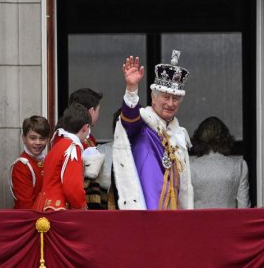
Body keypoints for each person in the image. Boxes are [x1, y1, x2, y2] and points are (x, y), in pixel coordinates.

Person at [113, 50, 193, 210]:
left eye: (175, 98)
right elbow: (129, 118)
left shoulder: (179, 136)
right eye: (165, 97)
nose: (170, 103)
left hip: (173, 218)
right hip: (145, 217)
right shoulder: (142, 126)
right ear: (153, 97)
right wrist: (131, 88)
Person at [54, 88, 107, 210]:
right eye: (98, 110)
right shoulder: (66, 139)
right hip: (71, 204)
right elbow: (71, 183)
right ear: (91, 111)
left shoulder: (88, 138)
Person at [33, 103, 91, 211]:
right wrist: (82, 206)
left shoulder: (59, 144)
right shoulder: (73, 147)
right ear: (85, 128)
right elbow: (73, 188)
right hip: (58, 209)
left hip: (43, 205)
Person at [189, 116, 250, 208]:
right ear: (226, 138)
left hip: (197, 222)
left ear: (199, 138)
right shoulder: (239, 166)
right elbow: (244, 207)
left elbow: (184, 206)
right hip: (230, 222)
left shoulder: (189, 167)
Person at [10, 115, 50, 209]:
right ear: (24, 138)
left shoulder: (48, 161)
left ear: (47, 139)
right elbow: (25, 205)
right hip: (30, 220)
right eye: (33, 138)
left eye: (42, 138)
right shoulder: (21, 166)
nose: (38, 142)